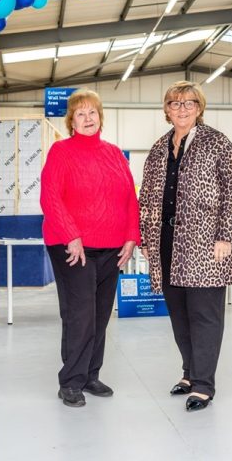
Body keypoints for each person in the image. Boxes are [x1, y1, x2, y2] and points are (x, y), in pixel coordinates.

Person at [139, 81, 232, 412]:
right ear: (166, 110)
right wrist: (146, 237)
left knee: (204, 316)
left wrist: (227, 236)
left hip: (206, 244)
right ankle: (189, 372)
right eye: (174, 103)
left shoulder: (217, 143)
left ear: (199, 108)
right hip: (167, 244)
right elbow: (146, 196)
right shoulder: (159, 148)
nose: (181, 108)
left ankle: (203, 384)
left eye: (189, 103)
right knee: (180, 315)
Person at [40, 89, 140, 408]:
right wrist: (72, 234)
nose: (87, 118)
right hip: (73, 247)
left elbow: (129, 198)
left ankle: (89, 374)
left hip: (111, 248)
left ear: (100, 117)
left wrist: (130, 237)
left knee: (99, 315)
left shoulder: (114, 154)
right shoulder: (61, 151)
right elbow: (50, 197)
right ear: (71, 121)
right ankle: (70, 381)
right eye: (80, 114)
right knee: (80, 314)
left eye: (92, 113)